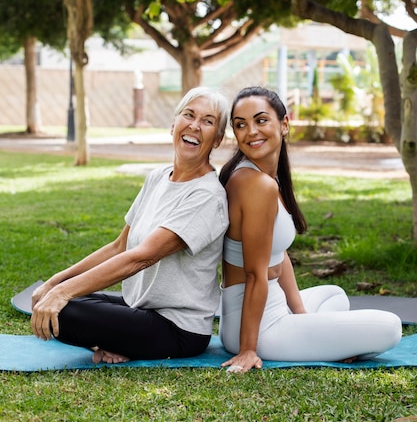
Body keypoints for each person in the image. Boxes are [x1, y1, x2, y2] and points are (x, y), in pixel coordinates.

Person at [31, 86, 229, 364]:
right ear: (174, 123)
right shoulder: (158, 177)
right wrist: (55, 283)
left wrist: (61, 292)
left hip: (177, 328)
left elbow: (141, 257)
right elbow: (119, 246)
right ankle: (120, 342)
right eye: (189, 115)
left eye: (208, 121)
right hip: (139, 307)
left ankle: (124, 342)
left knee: (64, 310)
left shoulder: (207, 196)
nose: (195, 126)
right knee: (62, 301)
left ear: (217, 139)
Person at [218, 86, 402, 373]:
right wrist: (248, 350)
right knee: (390, 327)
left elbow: (279, 257)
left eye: (261, 120)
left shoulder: (266, 177)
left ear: (284, 124)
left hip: (260, 310)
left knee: (335, 295)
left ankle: (316, 334)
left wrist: (302, 317)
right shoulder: (255, 184)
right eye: (240, 125)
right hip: (259, 326)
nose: (251, 131)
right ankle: (318, 338)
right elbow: (255, 274)